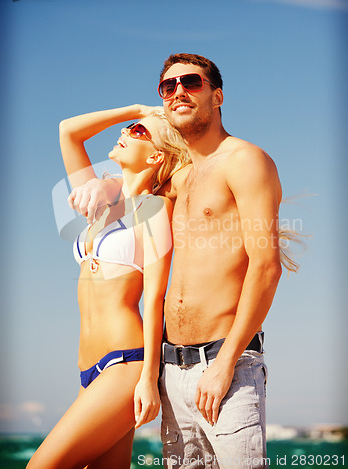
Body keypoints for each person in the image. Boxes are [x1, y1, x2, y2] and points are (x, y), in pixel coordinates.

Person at [69, 54, 297, 468]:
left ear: (218, 95)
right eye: (168, 87)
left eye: (191, 83)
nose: (178, 92)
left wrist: (225, 363)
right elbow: (139, 181)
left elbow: (267, 266)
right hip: (171, 371)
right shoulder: (178, 176)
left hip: (225, 366)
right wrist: (107, 182)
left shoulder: (245, 161)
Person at [27, 104, 190, 469]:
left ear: (156, 156)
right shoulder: (101, 203)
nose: (126, 131)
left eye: (138, 131)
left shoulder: (156, 208)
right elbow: (68, 130)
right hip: (88, 369)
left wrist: (149, 378)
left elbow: (155, 298)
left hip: (124, 363)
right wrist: (135, 110)